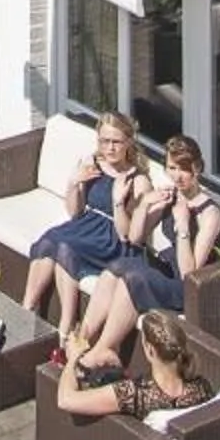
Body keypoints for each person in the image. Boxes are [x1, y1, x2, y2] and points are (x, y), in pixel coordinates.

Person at [69, 138, 220, 373]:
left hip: (184, 287)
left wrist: (183, 226)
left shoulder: (209, 213)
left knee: (133, 278)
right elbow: (134, 238)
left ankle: (105, 349)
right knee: (116, 268)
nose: (178, 176)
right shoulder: (171, 196)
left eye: (184, 168)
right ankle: (82, 339)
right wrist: (144, 206)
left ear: (198, 168)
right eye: (172, 168)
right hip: (163, 267)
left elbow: (189, 273)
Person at [19, 111, 143, 338]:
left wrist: (118, 201)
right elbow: (74, 212)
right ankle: (25, 311)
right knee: (49, 241)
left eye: (116, 142)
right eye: (104, 141)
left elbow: (128, 234)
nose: (110, 148)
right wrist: (74, 182)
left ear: (128, 142)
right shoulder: (92, 163)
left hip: (112, 239)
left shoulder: (137, 180)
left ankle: (65, 327)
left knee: (66, 247)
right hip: (85, 225)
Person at [53, 307, 214, 422]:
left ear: (150, 350)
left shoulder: (134, 394)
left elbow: (65, 400)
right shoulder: (201, 387)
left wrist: (74, 357)